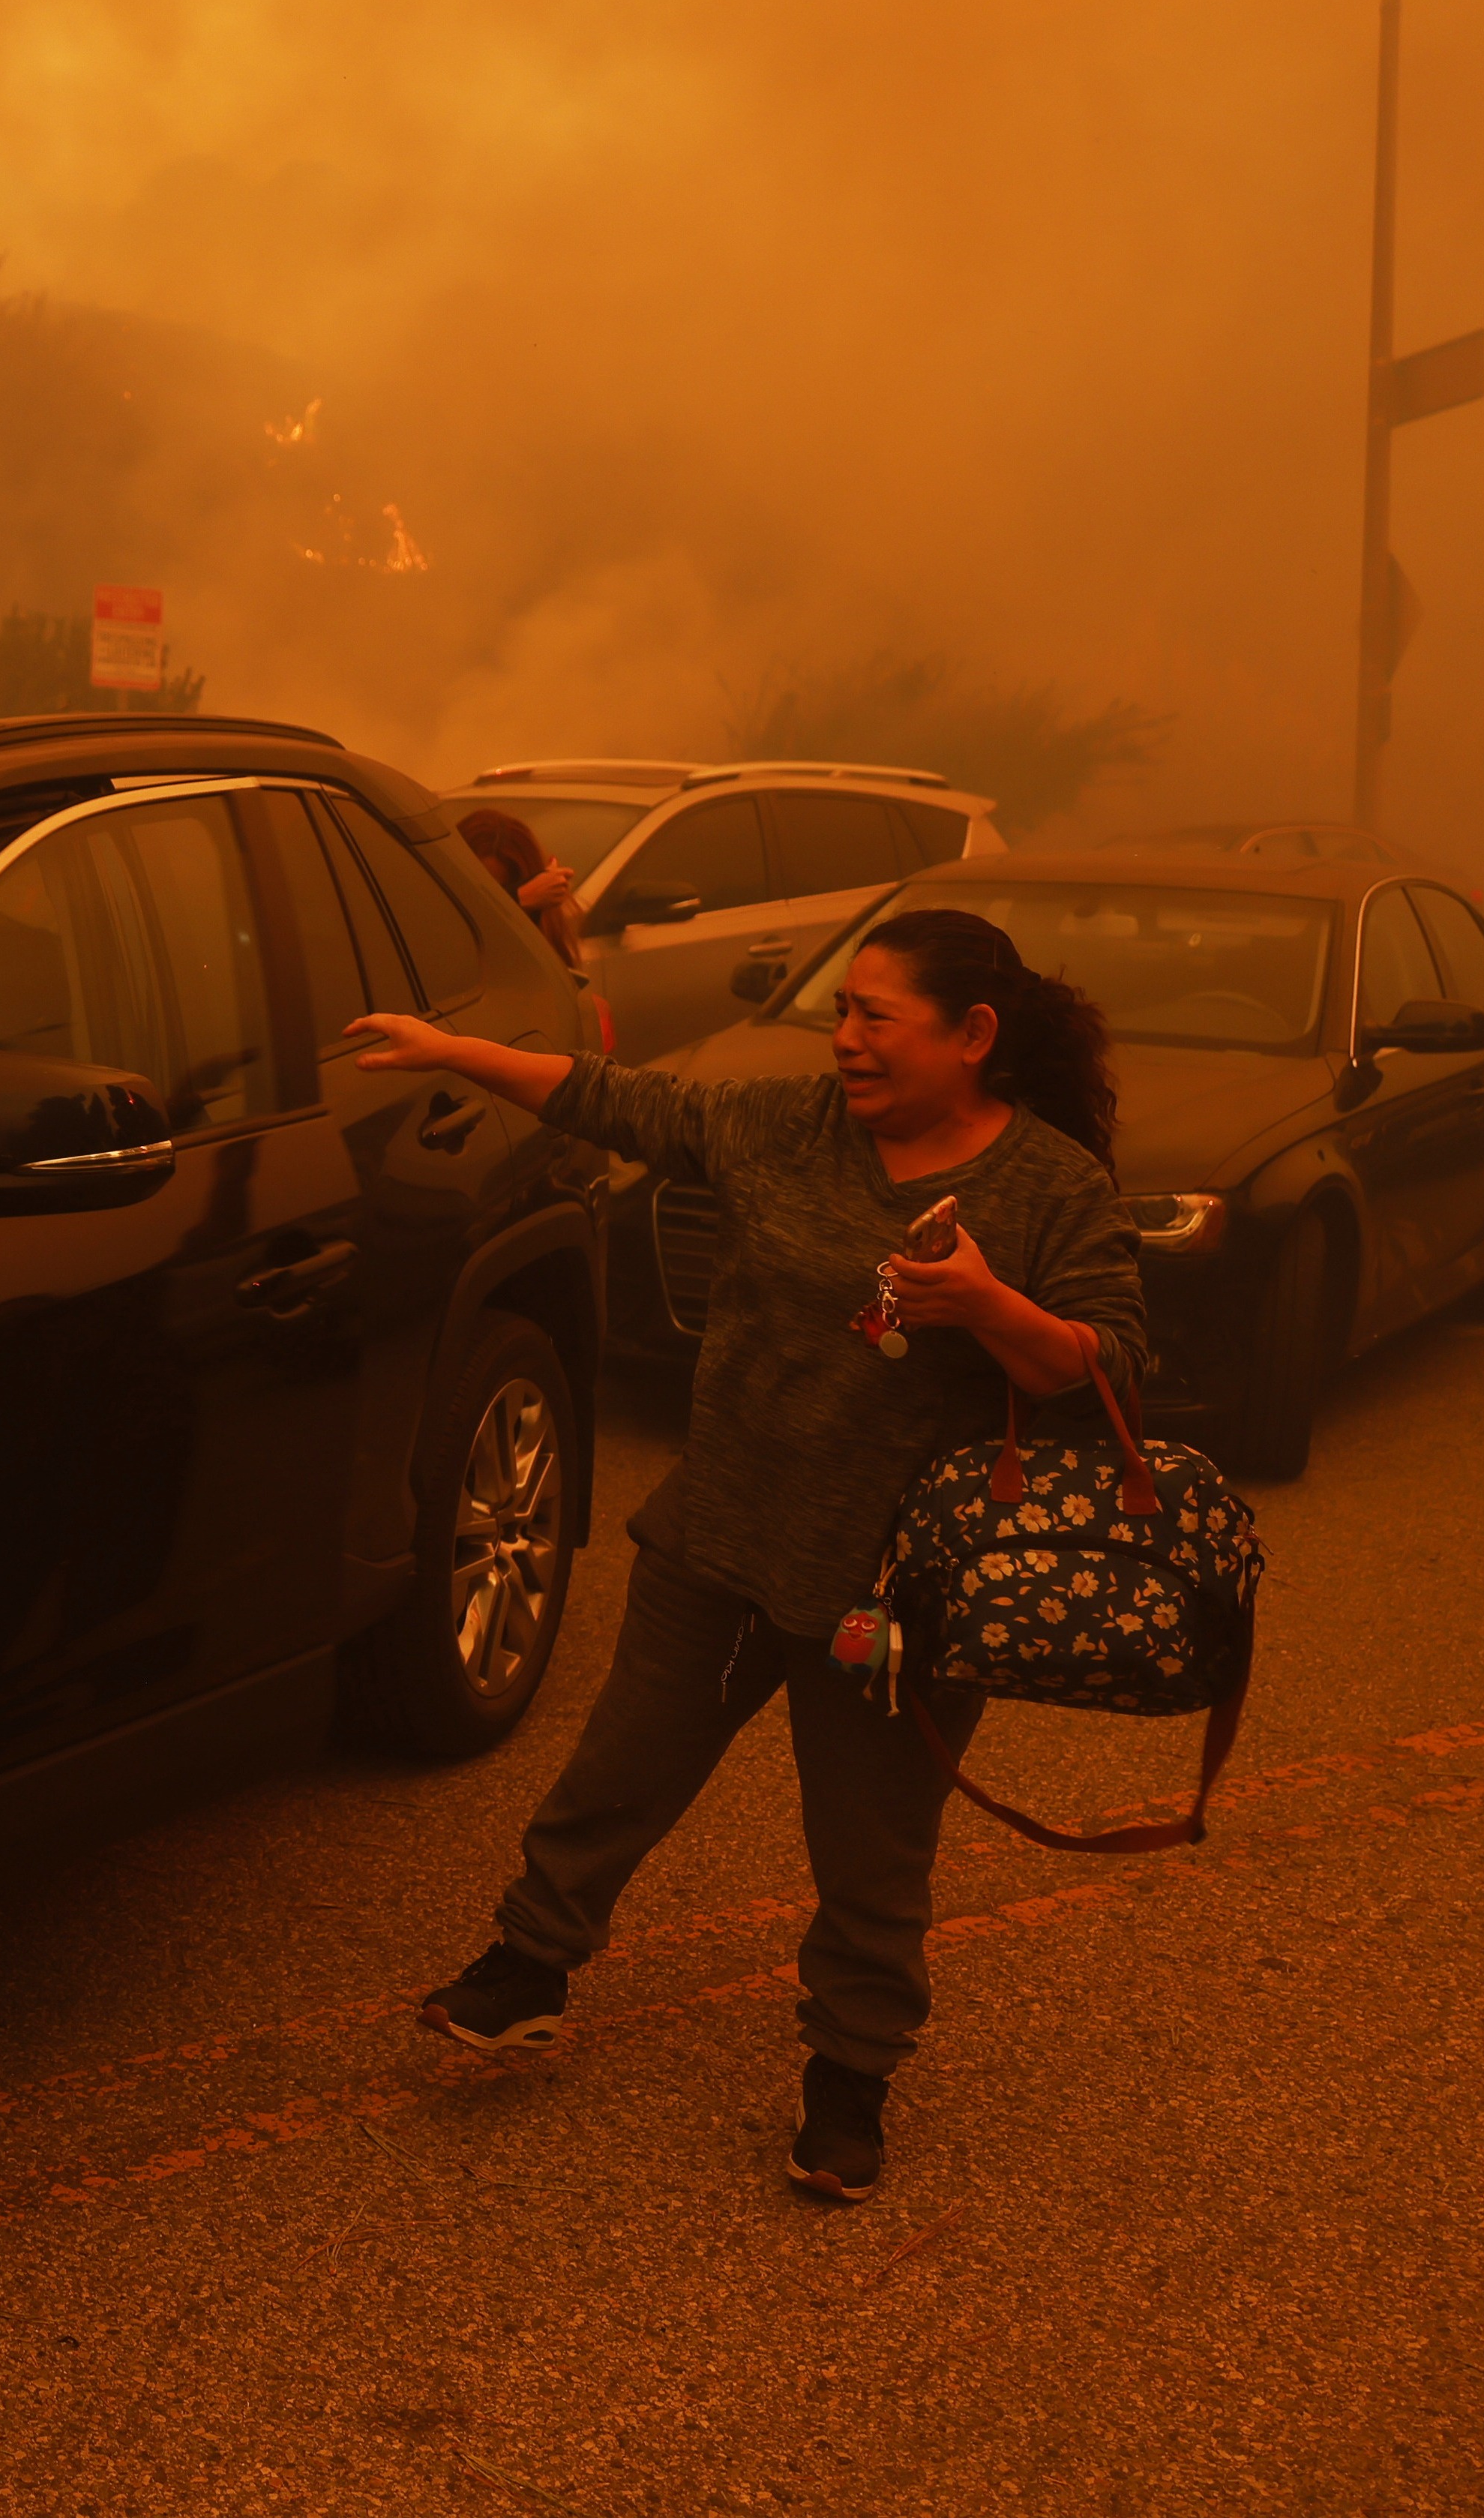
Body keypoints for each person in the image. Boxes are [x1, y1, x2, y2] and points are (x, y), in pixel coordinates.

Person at [344, 904, 1144, 2201]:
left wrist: (987, 1304)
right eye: (840, 1013)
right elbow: (622, 1103)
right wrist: (452, 1052)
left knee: (873, 1858)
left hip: (899, 1605)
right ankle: (528, 1970)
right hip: (720, 1541)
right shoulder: (785, 1128)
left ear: (974, 1036)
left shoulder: (1052, 1187)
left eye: (876, 1017)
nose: (846, 1041)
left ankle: (849, 2082)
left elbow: (1112, 1374)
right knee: (616, 1774)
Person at [457, 806, 610, 1052]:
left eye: (504, 889)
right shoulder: (446, 943)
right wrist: (519, 898)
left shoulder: (538, 958)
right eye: (485, 892)